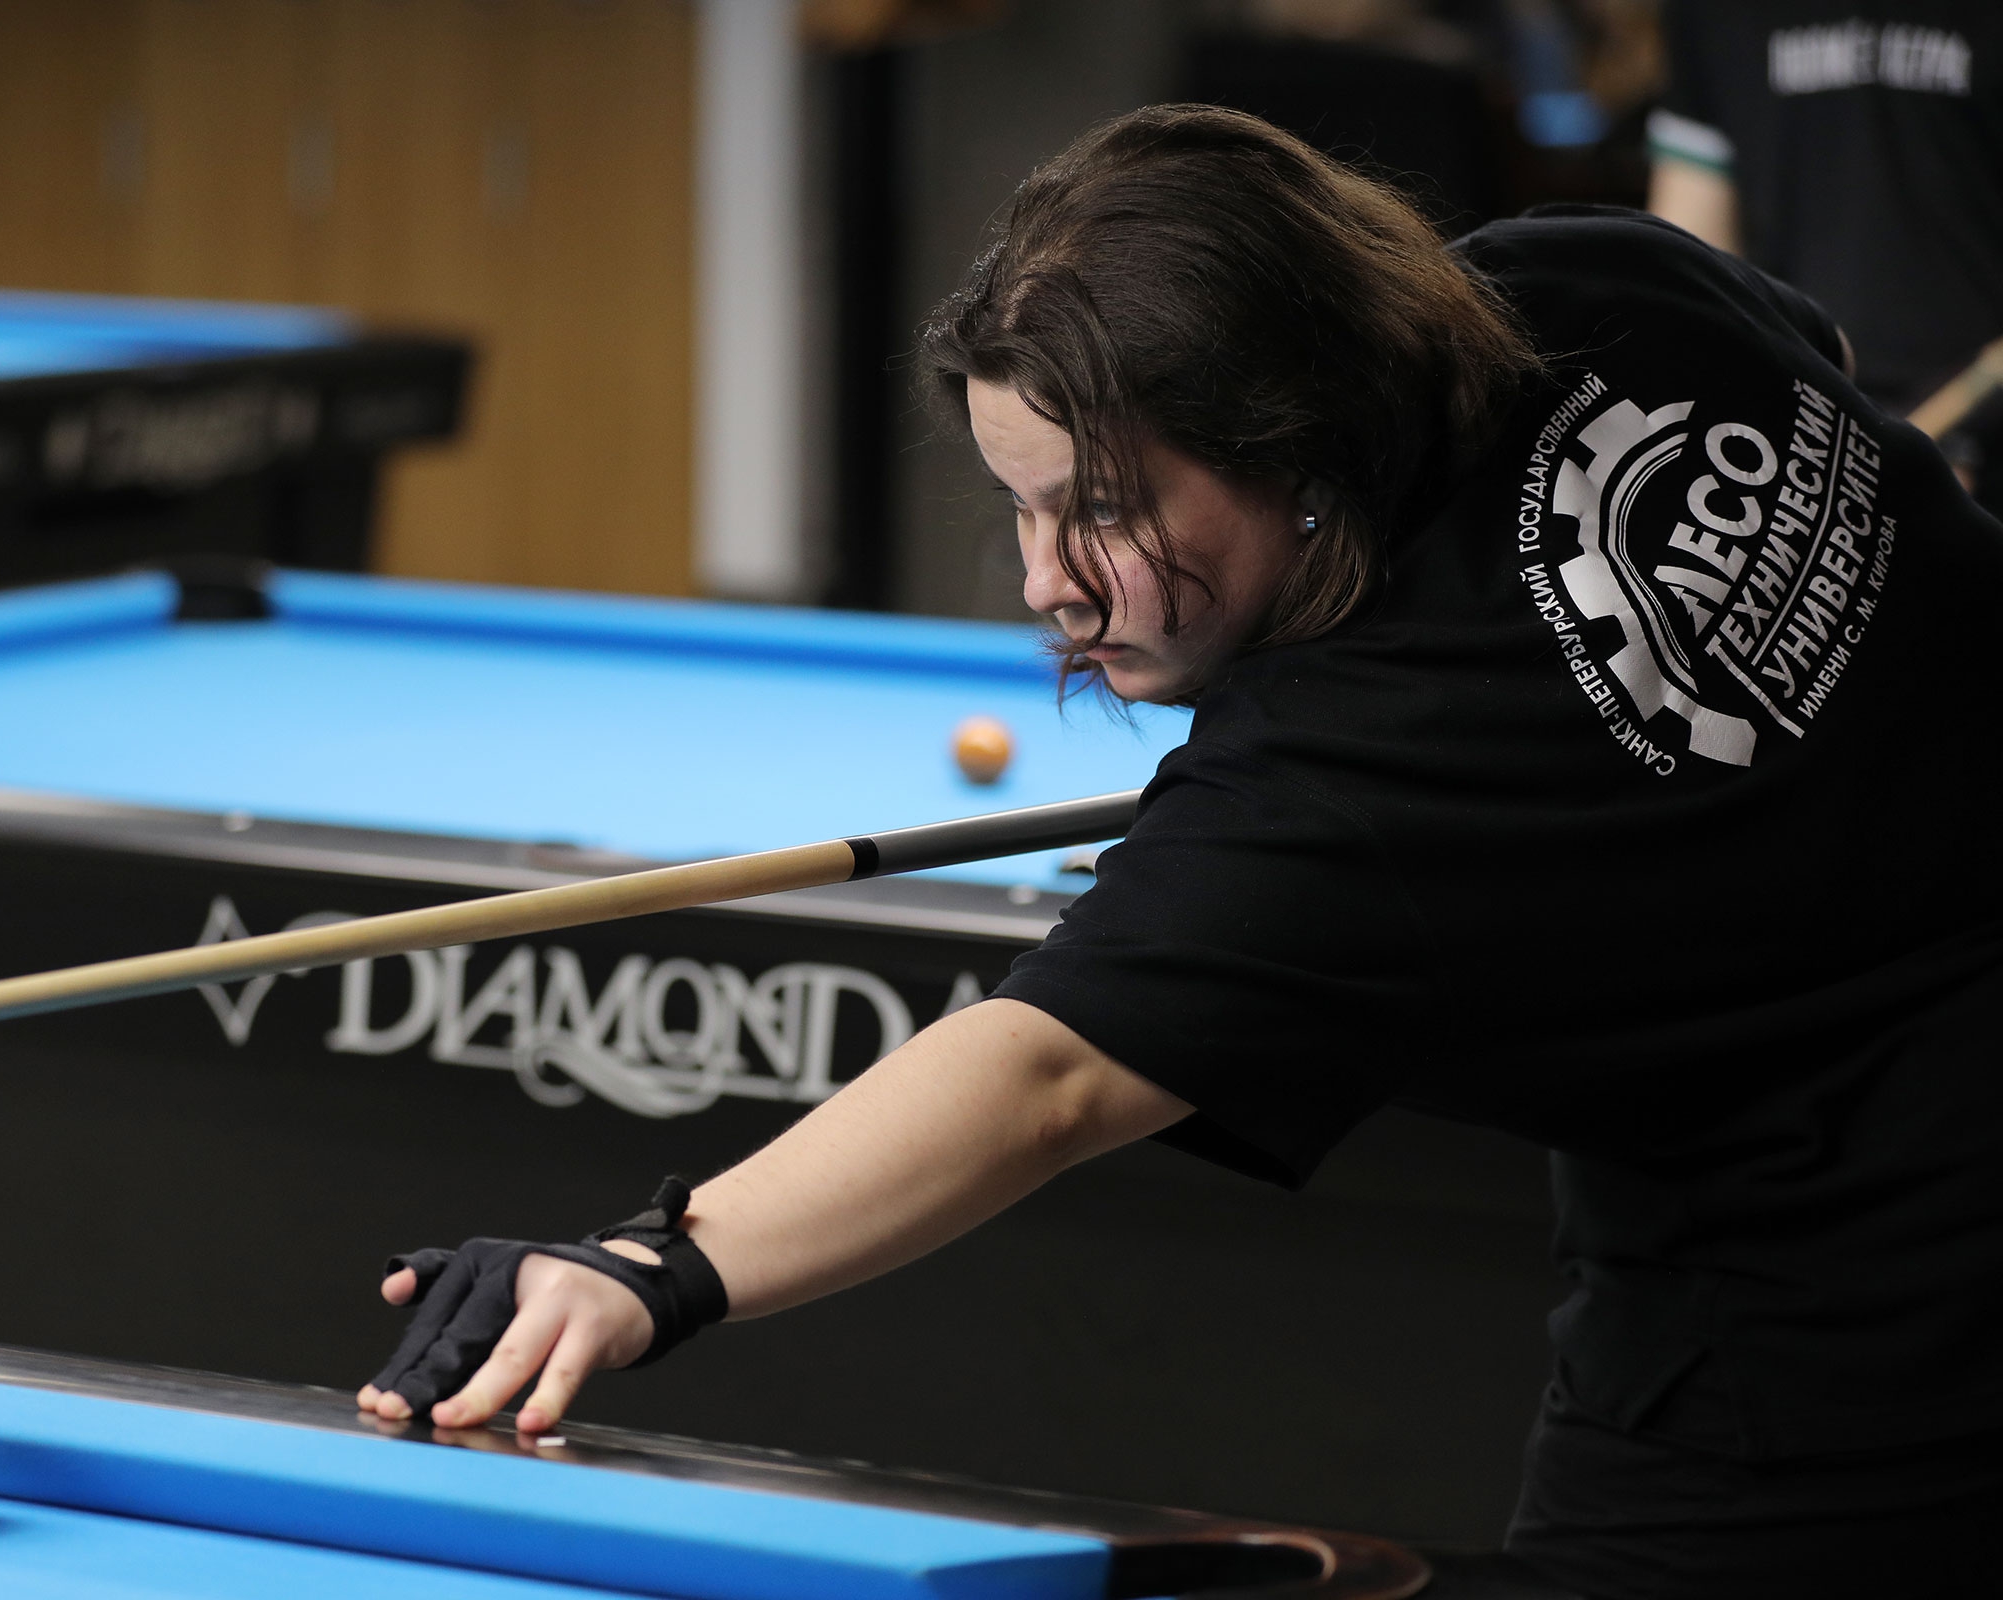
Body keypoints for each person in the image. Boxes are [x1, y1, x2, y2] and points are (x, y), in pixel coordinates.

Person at [357, 107, 2003, 1598]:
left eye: (1102, 509)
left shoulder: (1347, 781)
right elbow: (1826, 356)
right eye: (1019, 507)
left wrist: (656, 1265)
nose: (1045, 584)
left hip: (1856, 1326)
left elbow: (1043, 1077)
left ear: (1303, 440)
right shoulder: (1594, 280)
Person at [1647, 4, 2003, 493]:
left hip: (1979, 437)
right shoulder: (1712, 13)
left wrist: (1973, 428)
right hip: (1799, 433)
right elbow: (1690, 255)